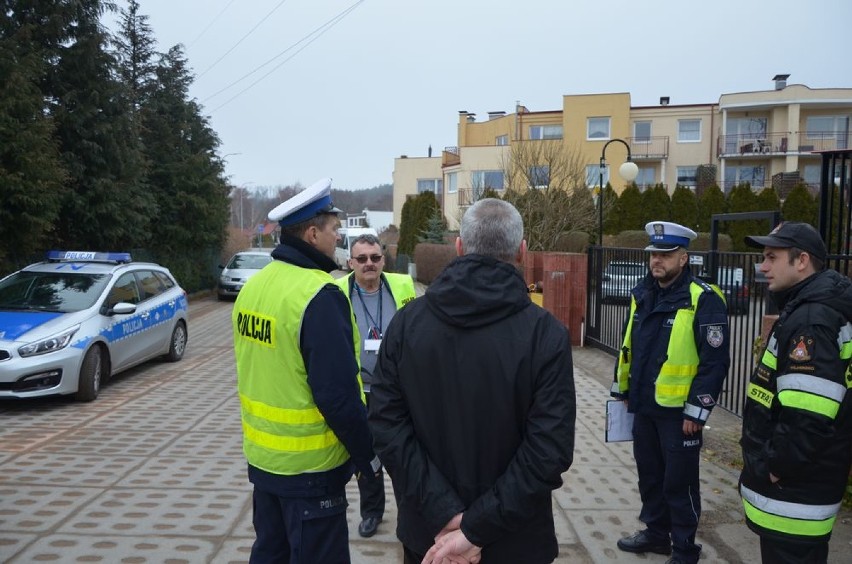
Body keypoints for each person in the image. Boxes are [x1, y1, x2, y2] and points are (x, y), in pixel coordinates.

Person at [369, 198, 576, 564]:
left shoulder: (405, 324)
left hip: (432, 540)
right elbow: (547, 452)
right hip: (515, 539)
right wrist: (472, 529)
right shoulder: (546, 334)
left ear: (459, 248)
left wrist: (450, 519)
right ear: (522, 253)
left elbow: (386, 425)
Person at [232, 177, 380, 564]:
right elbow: (337, 395)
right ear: (312, 234)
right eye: (333, 230)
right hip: (311, 472)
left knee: (271, 555)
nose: (338, 239)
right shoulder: (319, 295)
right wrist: (370, 458)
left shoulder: (254, 287)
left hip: (264, 464)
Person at [612, 221, 730, 564]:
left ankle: (684, 548)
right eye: (654, 254)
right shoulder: (643, 293)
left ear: (683, 257)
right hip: (644, 406)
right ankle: (656, 534)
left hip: (679, 414)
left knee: (679, 484)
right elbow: (628, 346)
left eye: (665, 255)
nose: (657, 261)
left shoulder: (703, 299)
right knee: (650, 477)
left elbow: (715, 361)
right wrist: (622, 389)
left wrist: (698, 410)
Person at [739, 221, 852, 564]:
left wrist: (775, 466)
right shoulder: (810, 307)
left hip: (794, 494)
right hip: (798, 490)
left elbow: (809, 412)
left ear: (801, 260)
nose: (763, 267)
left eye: (772, 257)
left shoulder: (810, 320)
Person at [333, 233, 416, 538]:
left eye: (375, 257)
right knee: (366, 456)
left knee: (405, 453)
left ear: (384, 259)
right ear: (350, 262)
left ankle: (412, 513)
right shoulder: (337, 292)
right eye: (362, 259)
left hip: (398, 391)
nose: (369, 264)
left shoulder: (403, 287)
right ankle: (372, 511)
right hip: (360, 390)